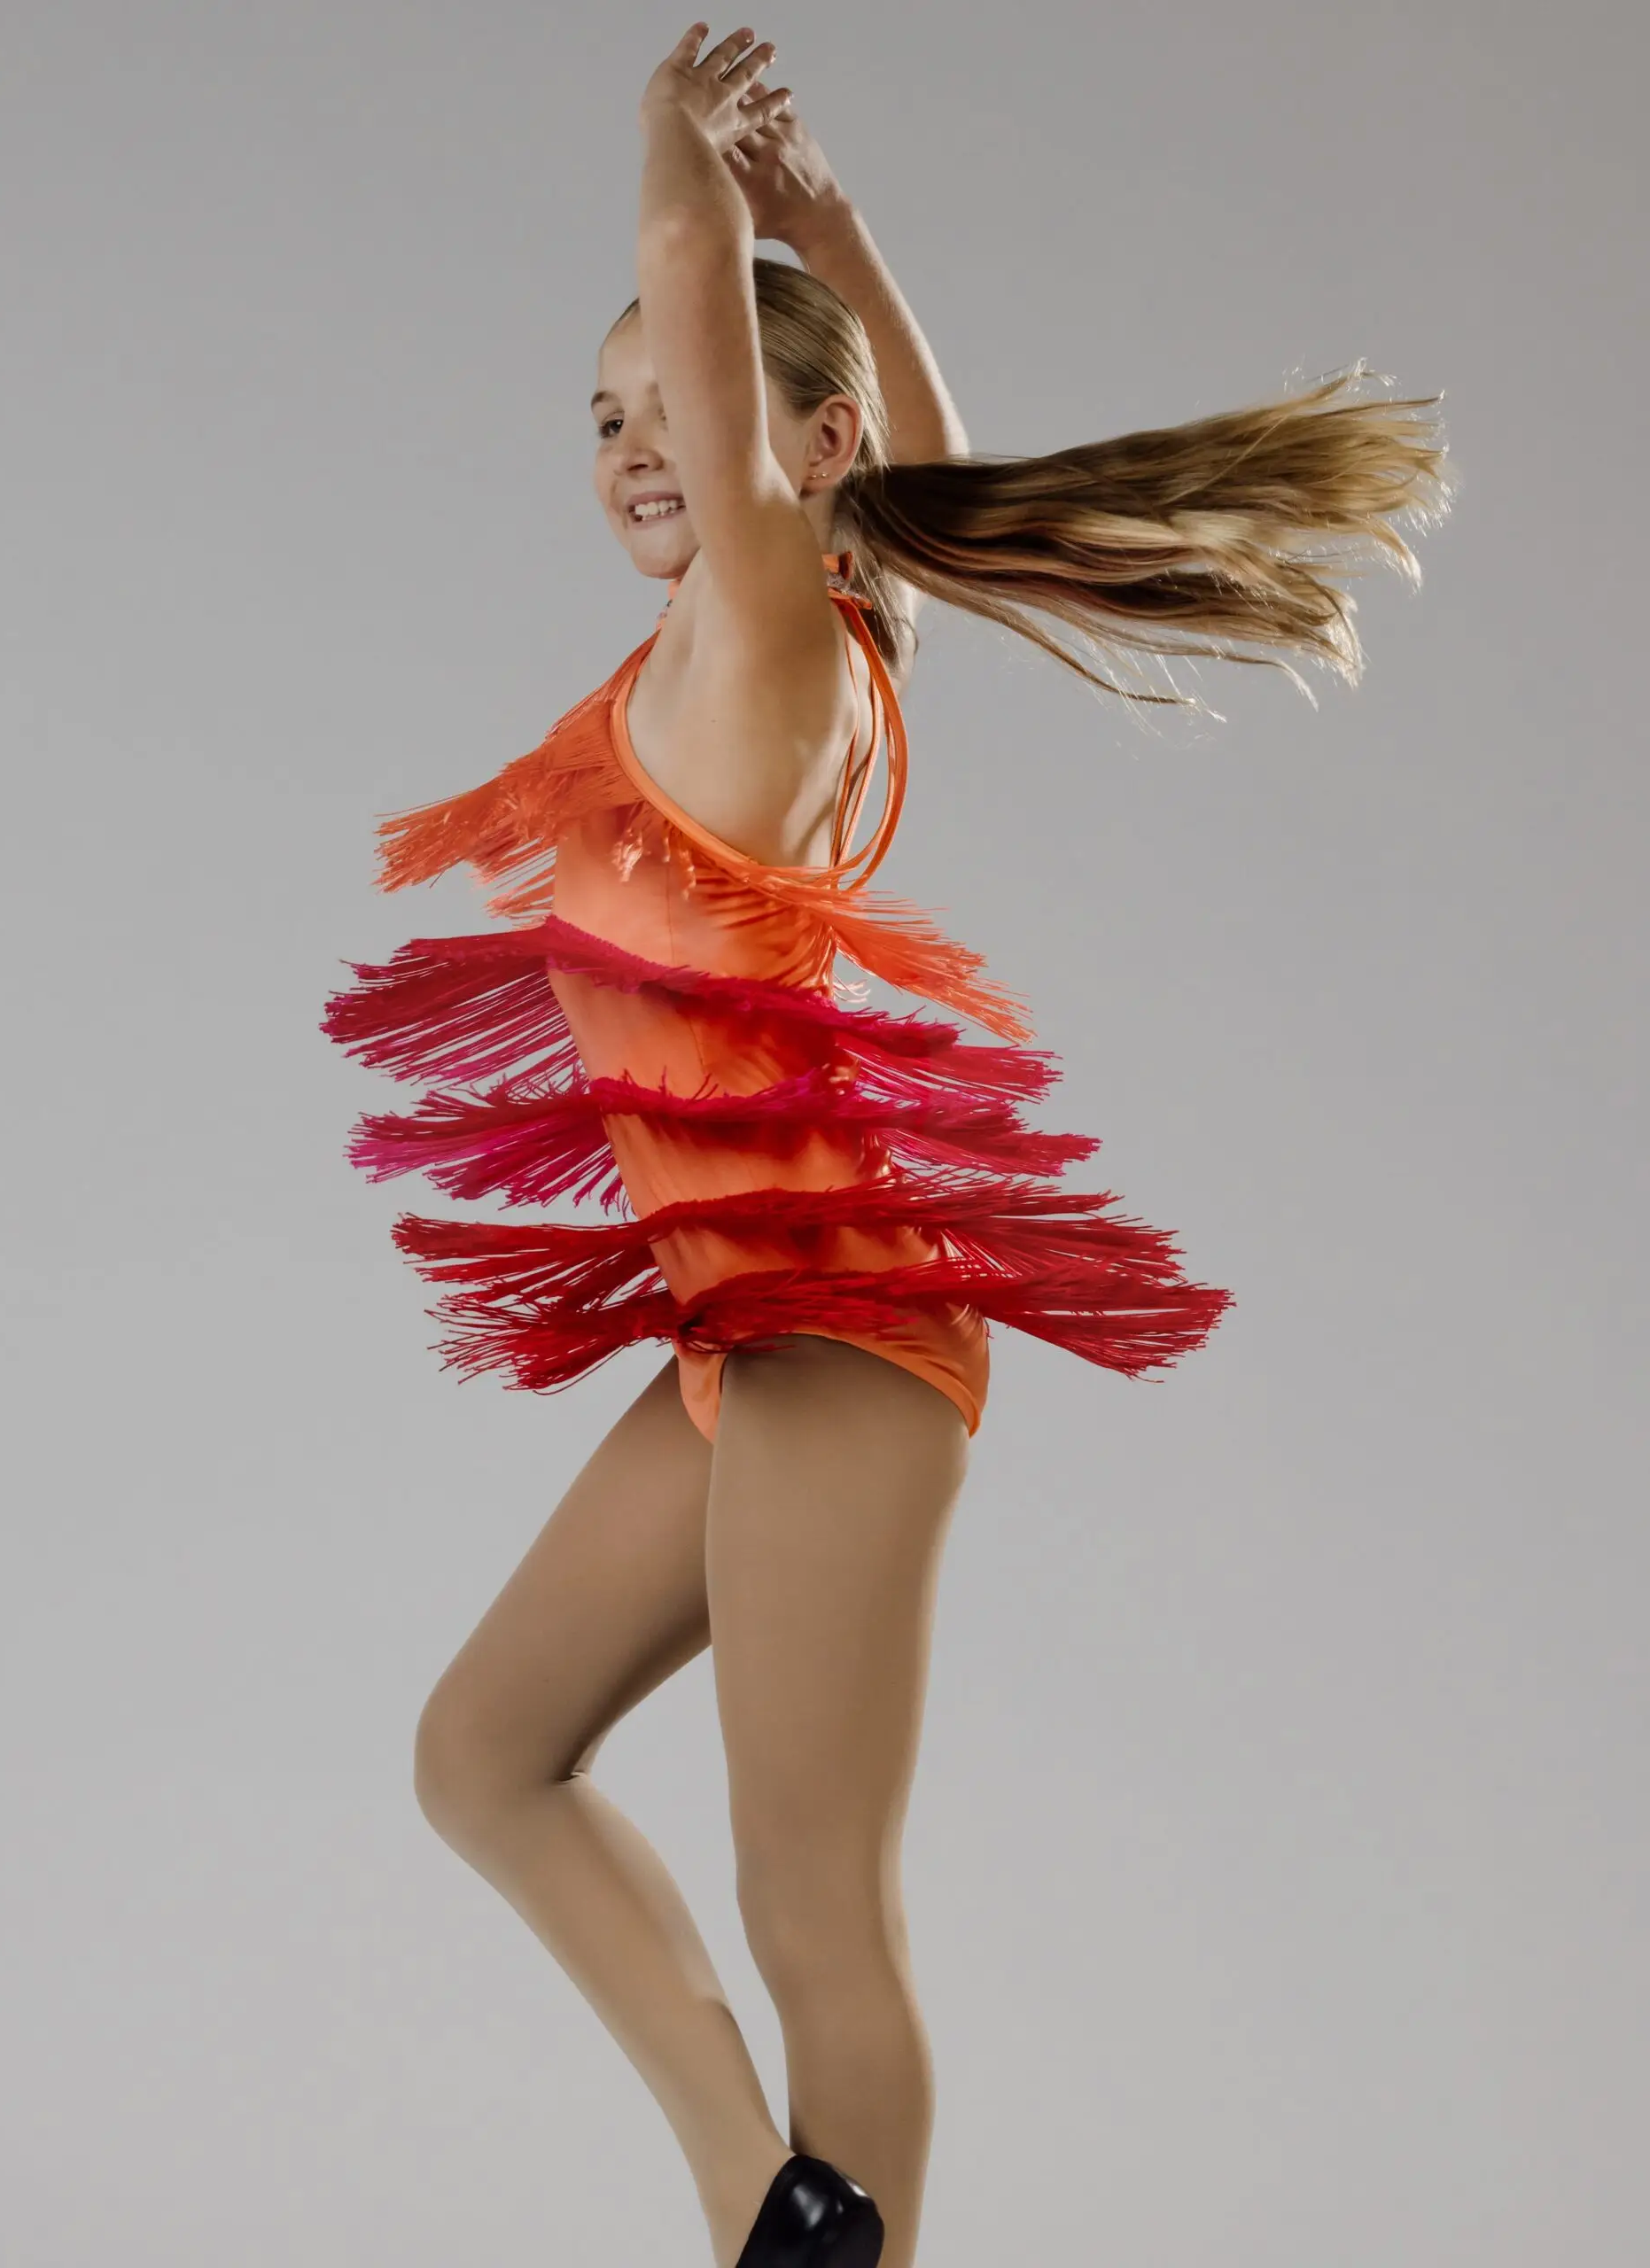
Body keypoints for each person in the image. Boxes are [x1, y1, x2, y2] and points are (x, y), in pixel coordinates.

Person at [323, 25, 1452, 2266]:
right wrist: (820, 218)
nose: (643, 447)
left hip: (841, 1325)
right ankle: (776, 2209)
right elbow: (923, 460)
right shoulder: (814, 617)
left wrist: (681, 140)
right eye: (609, 416)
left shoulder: (766, 630)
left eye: (690, 404)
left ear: (796, 445)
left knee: (808, 1895)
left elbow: (743, 331)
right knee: (483, 1749)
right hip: (746, 1324)